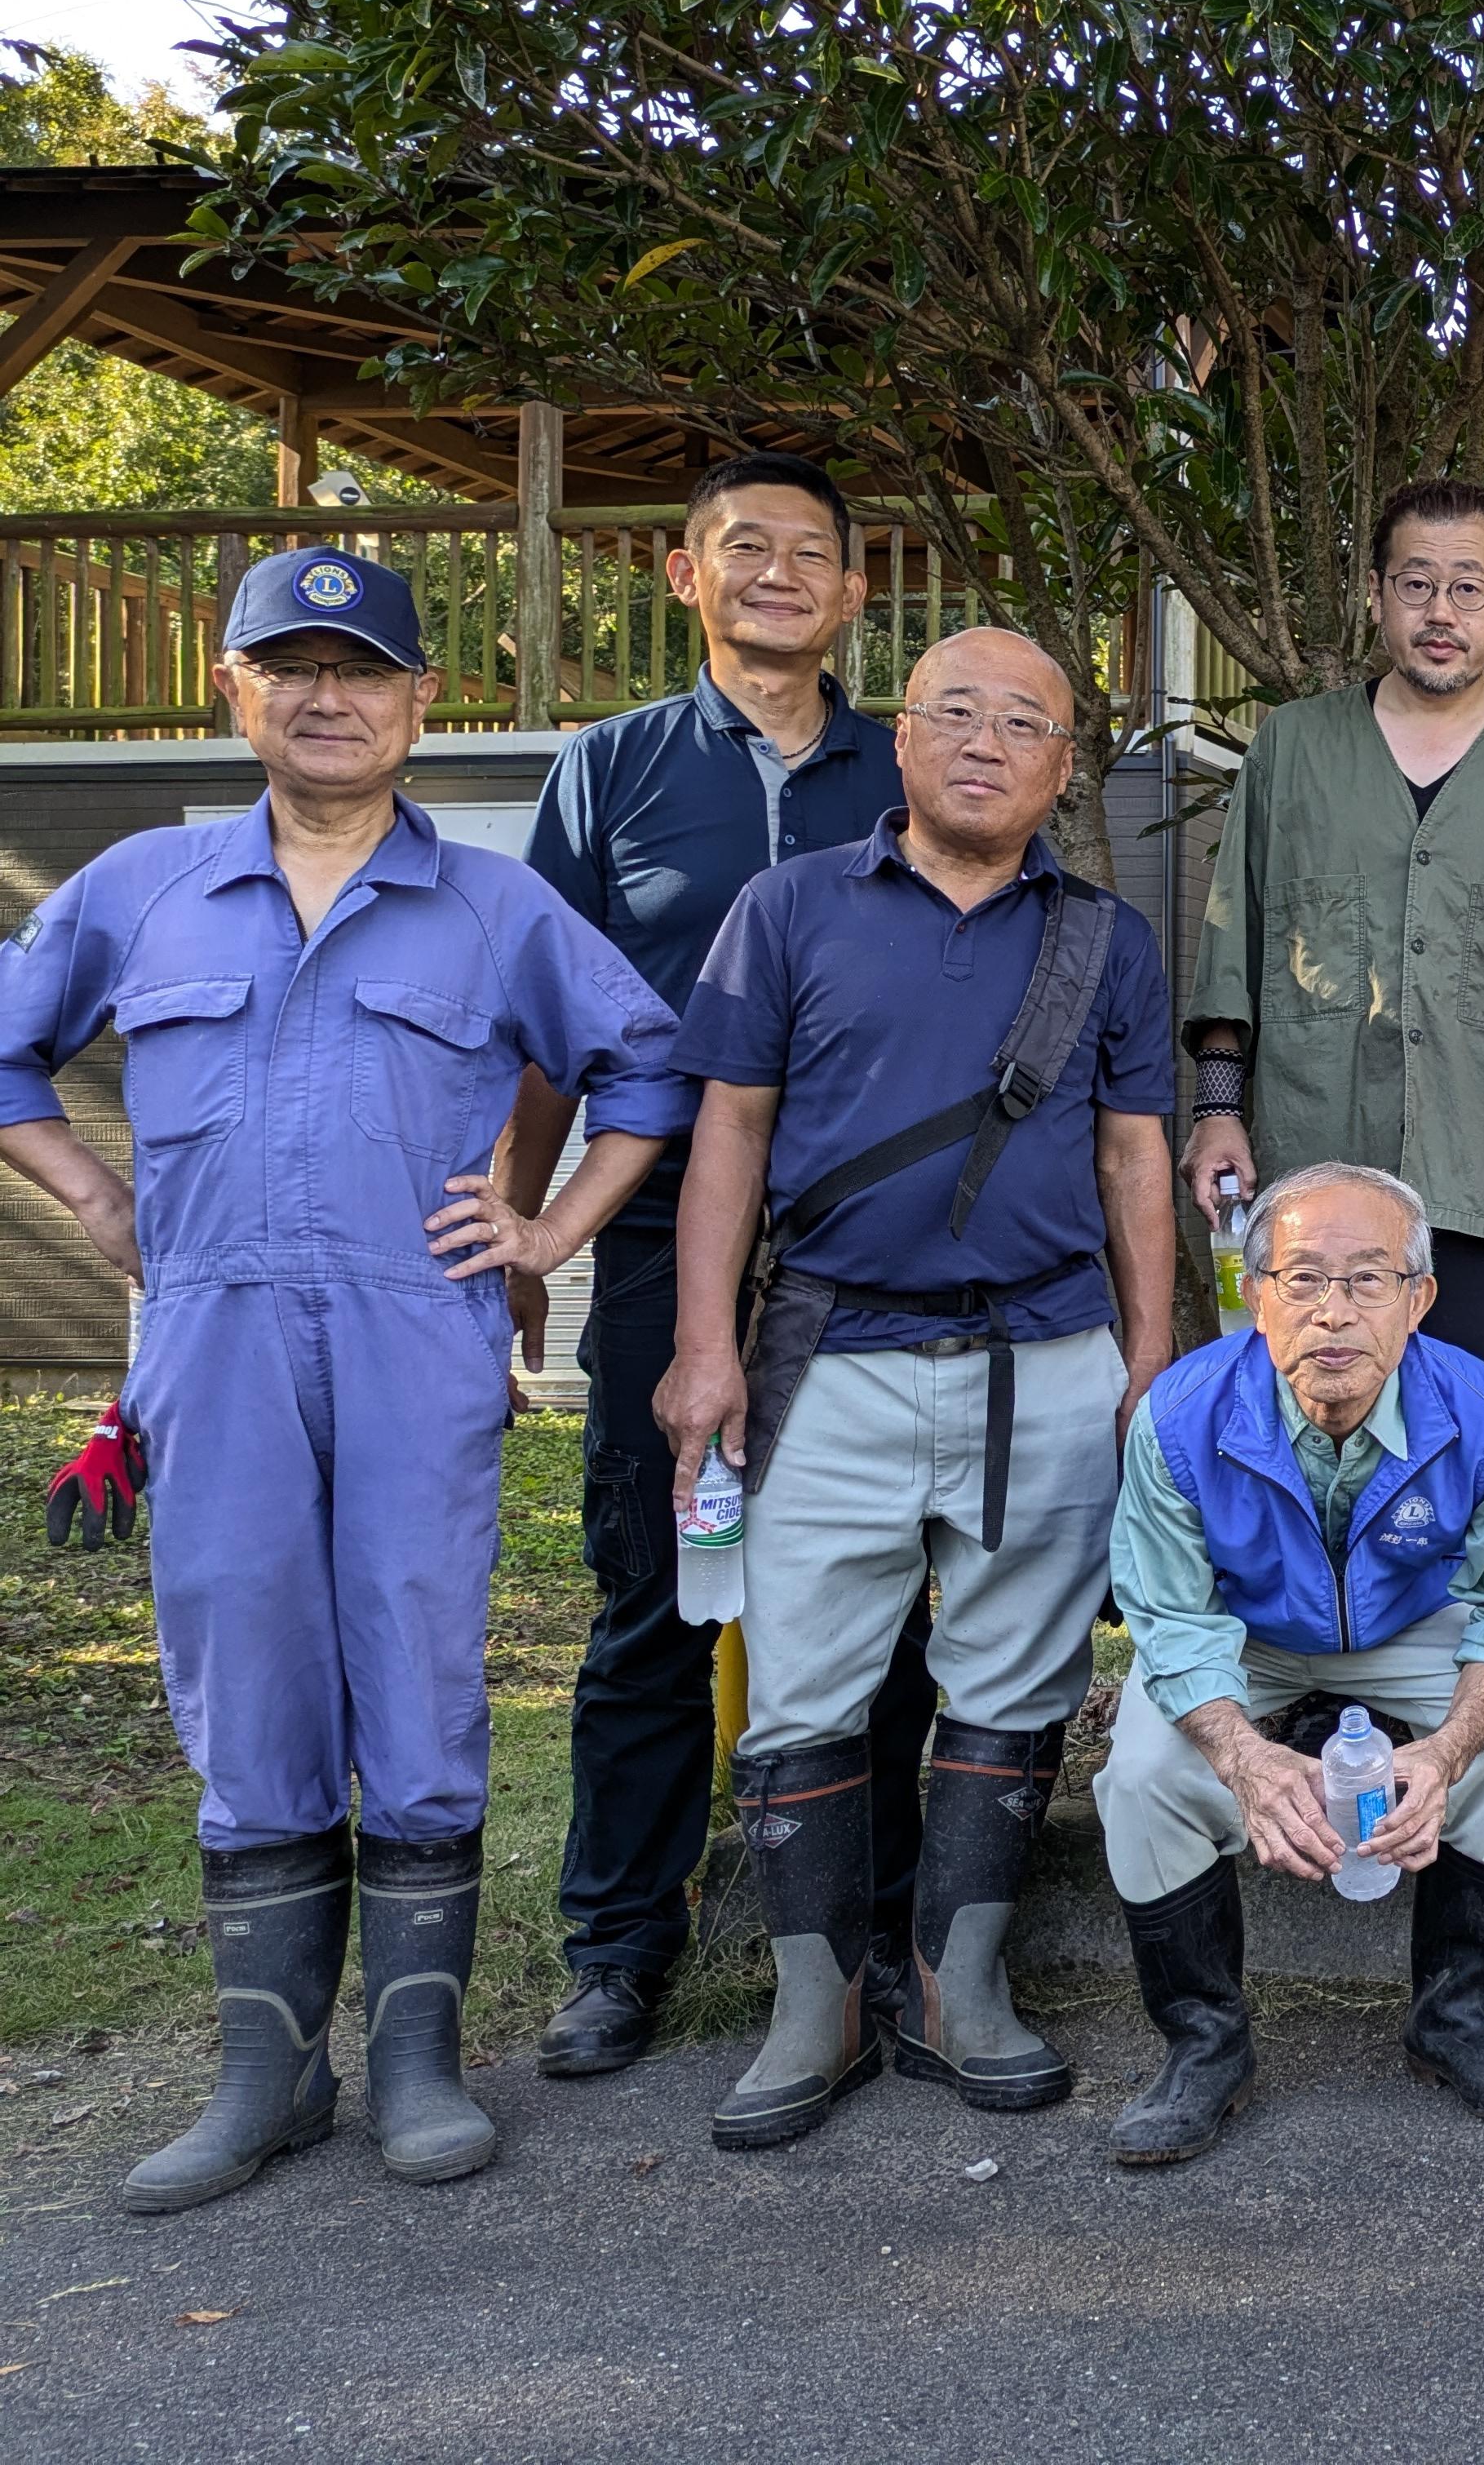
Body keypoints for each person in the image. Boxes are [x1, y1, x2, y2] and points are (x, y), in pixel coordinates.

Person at [0, 547, 687, 2211]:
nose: (327, 696)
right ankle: (263, 2074)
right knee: (242, 1659)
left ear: (415, 700)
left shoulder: (496, 902)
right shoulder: (143, 885)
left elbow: (650, 1060)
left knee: (414, 1655)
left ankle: (415, 2058)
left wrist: (545, 1227)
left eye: (360, 669)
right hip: (214, 1334)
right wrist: (94, 1195)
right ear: (234, 689)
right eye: (289, 666)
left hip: (414, 1329)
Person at [653, 627, 1176, 2152]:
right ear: (900, 735)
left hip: (1048, 1357)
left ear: (1062, 764)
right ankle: (811, 2003)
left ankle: (962, 1985)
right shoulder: (787, 909)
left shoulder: (1106, 938)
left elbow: (1133, 1154)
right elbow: (727, 1137)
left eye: (1026, 722)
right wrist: (703, 1347)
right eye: (957, 710)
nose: (987, 741)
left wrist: (1146, 1360)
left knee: (1015, 1680)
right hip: (830, 1356)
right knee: (806, 1683)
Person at [498, 450, 942, 2082]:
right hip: (647, 1215)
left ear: (851, 592)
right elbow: (547, 1023)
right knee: (650, 1592)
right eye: (740, 548)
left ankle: (882, 1932)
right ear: (685, 577)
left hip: (865, 1243)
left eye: (808, 553)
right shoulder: (607, 770)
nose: (775, 573)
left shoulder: (909, 763)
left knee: (879, 1594)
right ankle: (620, 1943)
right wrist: (524, 1222)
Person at [1095, 1161, 1484, 2160]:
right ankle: (1204, 2045)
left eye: (1368, 1279)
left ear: (1419, 1301)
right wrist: (1245, 1759)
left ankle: (1457, 2019)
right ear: (1255, 1293)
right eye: (1303, 1278)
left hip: (1413, 1623)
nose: (1333, 1312)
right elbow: (1171, 1619)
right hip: (1248, 1633)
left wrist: (1443, 1752)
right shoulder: (1178, 1418)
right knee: (1140, 1770)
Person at [1176, 478, 1484, 1392]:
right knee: (1305, 1432)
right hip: (1317, 1174)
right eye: (1415, 585)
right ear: (1376, 595)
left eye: (1468, 588)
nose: (1440, 612)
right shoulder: (1292, 750)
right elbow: (1232, 942)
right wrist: (1217, 1110)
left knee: (1472, 1441)